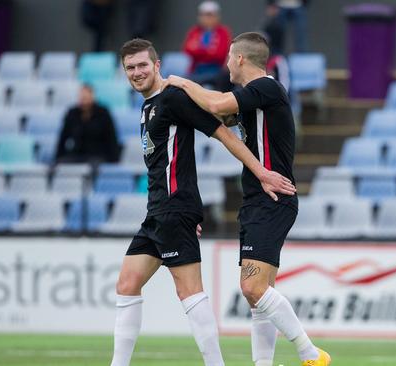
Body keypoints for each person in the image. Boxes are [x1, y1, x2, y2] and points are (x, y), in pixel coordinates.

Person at [110, 38, 296, 366]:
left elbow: (223, 133)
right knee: (127, 283)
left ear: (157, 66)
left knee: (190, 291)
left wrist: (262, 171)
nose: (137, 72)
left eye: (142, 65)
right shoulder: (147, 106)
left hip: (175, 207)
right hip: (157, 211)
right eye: (130, 68)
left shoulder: (173, 98)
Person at [163, 32, 331, 366]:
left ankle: (310, 353)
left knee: (252, 288)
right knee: (260, 298)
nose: (226, 64)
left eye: (228, 58)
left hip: (271, 199)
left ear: (240, 59)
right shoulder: (256, 98)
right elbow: (219, 115)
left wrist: (181, 83)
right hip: (260, 198)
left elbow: (215, 104)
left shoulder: (268, 87)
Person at [55, 84, 120, 164]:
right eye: (82, 98)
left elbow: (112, 138)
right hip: (76, 155)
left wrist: (114, 160)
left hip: (98, 155)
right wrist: (57, 158)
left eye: (86, 98)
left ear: (92, 97)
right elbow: (63, 137)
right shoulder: (72, 113)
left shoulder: (103, 113)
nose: (84, 101)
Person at [182, 1, 232, 89]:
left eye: (209, 15)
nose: (205, 18)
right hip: (196, 71)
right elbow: (187, 49)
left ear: (217, 16)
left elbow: (219, 54)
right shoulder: (194, 31)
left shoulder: (223, 32)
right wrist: (207, 52)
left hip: (215, 72)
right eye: (202, 14)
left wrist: (199, 51)